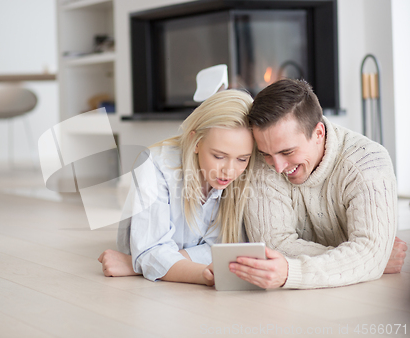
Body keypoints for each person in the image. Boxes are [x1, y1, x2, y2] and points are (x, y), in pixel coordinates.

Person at [230, 78, 407, 289]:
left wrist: (292, 271)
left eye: (287, 152)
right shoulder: (263, 161)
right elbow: (273, 245)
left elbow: (369, 253)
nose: (277, 167)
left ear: (318, 133)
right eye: (267, 154)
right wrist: (362, 259)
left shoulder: (368, 161)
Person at [98, 89, 256, 285]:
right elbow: (150, 251)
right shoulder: (154, 165)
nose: (230, 171)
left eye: (242, 159)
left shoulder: (247, 174)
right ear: (195, 141)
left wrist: (139, 265)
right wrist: (202, 274)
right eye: (219, 156)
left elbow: (225, 248)